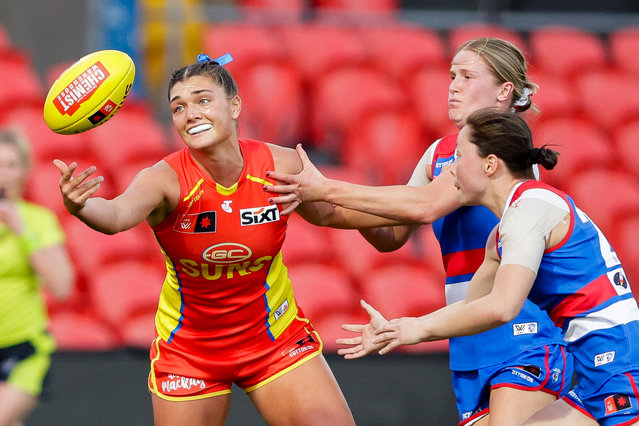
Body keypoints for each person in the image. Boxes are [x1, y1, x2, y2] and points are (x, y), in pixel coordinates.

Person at [266, 38, 572, 425]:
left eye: (466, 76)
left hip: (520, 332)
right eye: (451, 76)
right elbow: (390, 235)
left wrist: (328, 187)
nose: (453, 85)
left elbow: (424, 205)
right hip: (468, 338)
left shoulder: (500, 152)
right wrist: (312, 202)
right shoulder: (441, 152)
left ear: (504, 91)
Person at [53, 54, 360, 426]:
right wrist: (81, 206)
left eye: (202, 100)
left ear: (234, 105)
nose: (190, 114)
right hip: (190, 352)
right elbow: (117, 216)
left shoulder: (280, 165)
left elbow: (330, 211)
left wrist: (411, 207)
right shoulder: (163, 179)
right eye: (178, 107)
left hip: (274, 340)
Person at [365, 109, 639, 425]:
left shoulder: (530, 209)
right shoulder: (505, 229)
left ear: (490, 164)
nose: (450, 170)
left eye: (459, 157)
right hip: (597, 373)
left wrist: (418, 330)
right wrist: (400, 327)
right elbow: (475, 306)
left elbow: (501, 308)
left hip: (620, 365)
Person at [0, 129, 74, 426]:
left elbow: (62, 287)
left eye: (11, 165)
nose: (2, 174)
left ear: (24, 172)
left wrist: (20, 230)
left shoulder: (37, 220)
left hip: (23, 350)